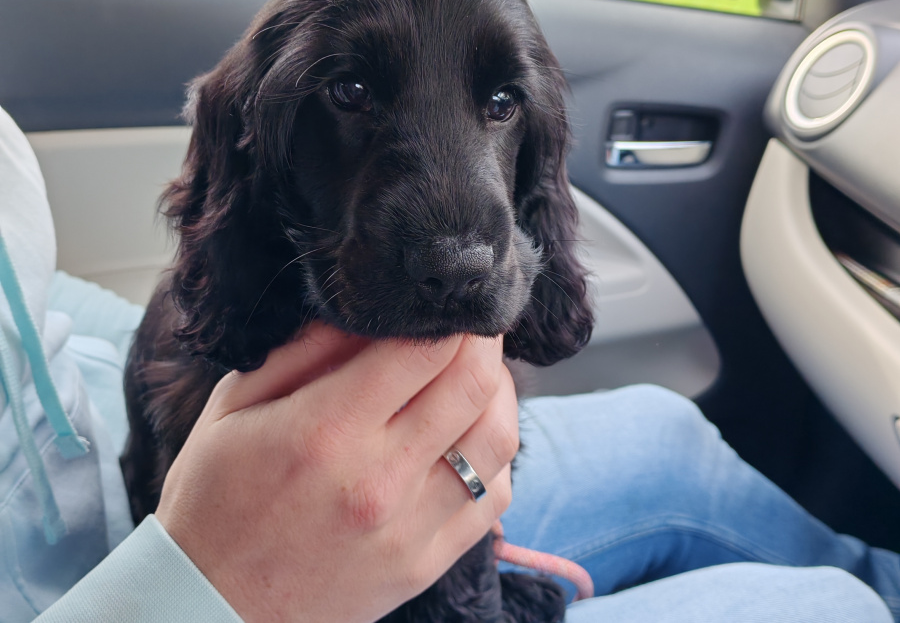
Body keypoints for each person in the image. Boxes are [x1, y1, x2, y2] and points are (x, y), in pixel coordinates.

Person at [0, 103, 895, 623]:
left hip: (100, 478)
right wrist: (205, 586)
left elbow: (27, 309)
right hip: (149, 591)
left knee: (669, 434)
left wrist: (149, 344)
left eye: (501, 106)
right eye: (350, 89)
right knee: (825, 608)